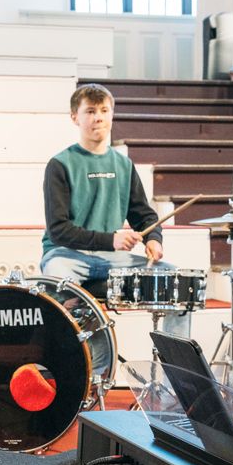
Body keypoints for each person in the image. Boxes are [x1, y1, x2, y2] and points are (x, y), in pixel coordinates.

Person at [40, 83, 190, 334]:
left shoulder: (123, 165)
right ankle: (76, 367)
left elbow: (144, 215)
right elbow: (58, 230)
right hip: (66, 256)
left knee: (177, 285)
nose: (98, 117)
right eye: (89, 111)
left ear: (112, 114)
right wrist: (112, 240)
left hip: (113, 259)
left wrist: (153, 239)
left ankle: (174, 372)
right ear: (75, 117)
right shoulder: (60, 164)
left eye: (103, 110)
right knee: (58, 283)